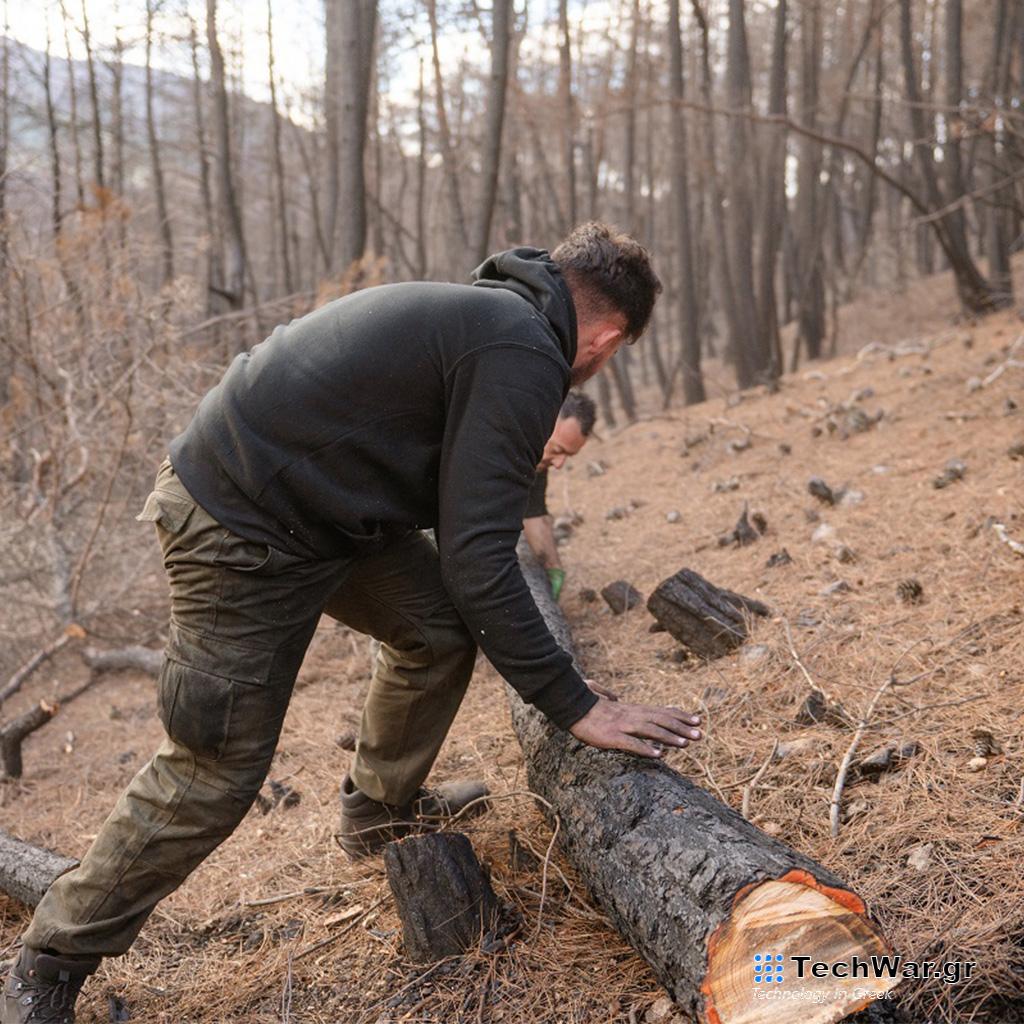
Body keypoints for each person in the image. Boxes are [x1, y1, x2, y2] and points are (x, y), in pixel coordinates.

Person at [2, 222, 702, 1023]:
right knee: (214, 767)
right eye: (611, 354)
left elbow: (464, 523)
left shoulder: (495, 320)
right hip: (240, 520)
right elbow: (478, 553)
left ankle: (377, 810)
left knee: (437, 627)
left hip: (317, 515)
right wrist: (574, 704)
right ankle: (48, 963)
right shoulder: (521, 346)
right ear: (607, 340)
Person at [523, 390, 597, 601]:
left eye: (568, 455)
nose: (559, 463)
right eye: (556, 450)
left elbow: (533, 514)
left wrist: (553, 567)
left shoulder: (538, 459)